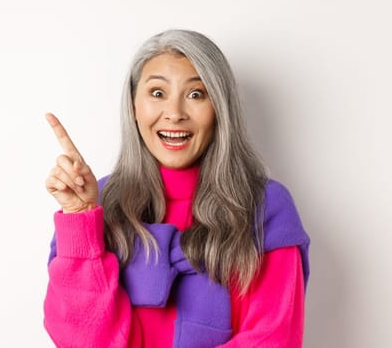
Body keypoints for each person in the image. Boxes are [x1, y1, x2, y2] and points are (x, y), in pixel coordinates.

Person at [42, 29, 310, 348]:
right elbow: (80, 339)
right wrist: (79, 216)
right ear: (133, 107)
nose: (175, 114)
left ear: (220, 109)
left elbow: (273, 338)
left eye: (196, 94)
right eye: (157, 93)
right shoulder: (98, 204)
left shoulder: (265, 206)